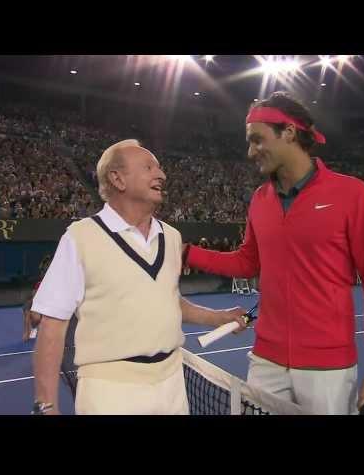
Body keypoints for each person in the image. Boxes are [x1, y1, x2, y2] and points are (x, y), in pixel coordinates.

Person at [183, 92, 364, 415]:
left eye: (257, 140)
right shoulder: (259, 198)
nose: (250, 151)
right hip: (265, 360)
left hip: (328, 368)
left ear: (289, 133)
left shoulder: (351, 193)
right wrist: (186, 253)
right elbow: (247, 262)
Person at [31, 140, 247, 415]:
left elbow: (169, 301)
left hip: (173, 385)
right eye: (148, 167)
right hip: (110, 391)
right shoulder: (80, 237)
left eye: (159, 168)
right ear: (117, 178)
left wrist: (219, 317)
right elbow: (52, 324)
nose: (162, 175)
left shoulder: (172, 237)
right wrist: (46, 405)